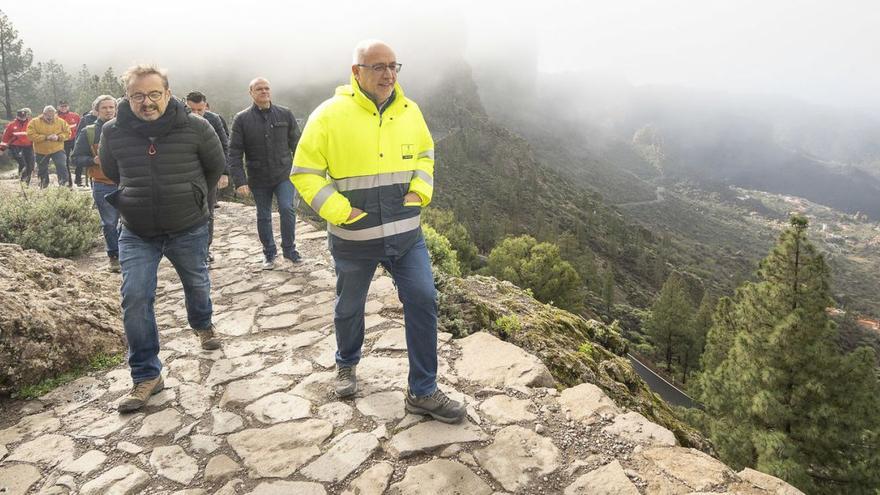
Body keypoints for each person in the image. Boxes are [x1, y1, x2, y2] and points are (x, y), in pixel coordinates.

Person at [291, 40, 465, 423]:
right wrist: (340, 211)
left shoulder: (410, 111)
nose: (388, 74)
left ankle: (423, 391)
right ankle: (346, 362)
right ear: (356, 72)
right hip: (354, 239)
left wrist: (420, 191)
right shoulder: (328, 115)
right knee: (349, 307)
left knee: (423, 299)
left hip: (406, 236)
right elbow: (304, 172)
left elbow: (426, 154)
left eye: (393, 66)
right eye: (378, 67)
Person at [98, 64, 226, 412]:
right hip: (137, 230)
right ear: (127, 98)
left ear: (168, 94)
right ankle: (146, 375)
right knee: (135, 297)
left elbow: (214, 167)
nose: (147, 101)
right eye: (138, 95)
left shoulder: (196, 126)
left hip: (188, 226)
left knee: (196, 283)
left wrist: (194, 198)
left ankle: (202, 324)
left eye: (154, 93)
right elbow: (111, 170)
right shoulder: (112, 131)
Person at [229, 77, 302, 270]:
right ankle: (269, 253)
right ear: (251, 92)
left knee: (287, 209)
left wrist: (302, 172)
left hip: (284, 174)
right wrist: (240, 181)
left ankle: (290, 250)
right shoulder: (241, 119)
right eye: (259, 89)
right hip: (258, 176)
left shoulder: (285, 114)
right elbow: (234, 152)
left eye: (267, 88)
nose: (264, 91)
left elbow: (298, 144)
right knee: (263, 215)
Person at [71, 95, 121, 272]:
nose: (108, 110)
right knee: (109, 223)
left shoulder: (125, 129)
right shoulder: (89, 132)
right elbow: (75, 158)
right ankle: (114, 256)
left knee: (129, 222)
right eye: (104, 108)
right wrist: (93, 160)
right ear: (96, 111)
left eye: (111, 107)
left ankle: (126, 253)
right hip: (102, 184)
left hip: (127, 183)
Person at [185, 91, 230, 264]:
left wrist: (224, 172)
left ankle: (205, 249)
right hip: (185, 173)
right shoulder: (178, 119)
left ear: (206, 107)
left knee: (208, 212)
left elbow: (224, 145)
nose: (196, 114)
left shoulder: (214, 120)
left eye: (200, 110)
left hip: (209, 173)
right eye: (192, 110)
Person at [26, 105, 71, 188]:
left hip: (57, 149)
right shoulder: (34, 122)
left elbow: (68, 133)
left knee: (61, 165)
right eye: (48, 116)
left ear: (55, 114)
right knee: (42, 169)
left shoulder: (61, 122)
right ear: (43, 114)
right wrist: (45, 137)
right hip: (41, 150)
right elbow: (30, 135)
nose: (50, 118)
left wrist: (59, 137)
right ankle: (43, 186)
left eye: (52, 116)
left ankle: (64, 186)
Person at [0, 108, 36, 184]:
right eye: (21, 117)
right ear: (17, 116)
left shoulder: (31, 124)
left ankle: (27, 184)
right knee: (23, 164)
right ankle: (23, 182)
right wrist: (2, 149)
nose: (22, 118)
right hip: (16, 147)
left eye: (24, 116)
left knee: (30, 165)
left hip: (29, 147)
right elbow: (5, 138)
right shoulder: (11, 125)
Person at [57, 101, 82, 186]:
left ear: (68, 106)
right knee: (65, 161)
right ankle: (69, 182)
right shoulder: (56, 117)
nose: (63, 108)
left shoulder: (75, 116)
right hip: (63, 142)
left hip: (75, 140)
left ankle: (78, 179)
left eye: (65, 106)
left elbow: (80, 127)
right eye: (62, 106)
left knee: (80, 158)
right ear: (58, 107)